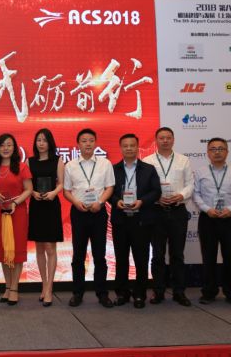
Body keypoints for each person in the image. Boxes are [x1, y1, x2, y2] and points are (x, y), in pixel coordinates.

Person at [193, 137, 231, 307]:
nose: (217, 152)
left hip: (230, 219)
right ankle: (209, 292)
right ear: (207, 152)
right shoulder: (200, 172)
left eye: (220, 149)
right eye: (213, 149)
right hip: (207, 218)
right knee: (208, 257)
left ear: (227, 152)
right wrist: (206, 209)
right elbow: (195, 194)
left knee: (230, 257)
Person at [63, 128, 114, 308]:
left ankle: (102, 293)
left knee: (100, 255)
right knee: (78, 255)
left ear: (95, 143)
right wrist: (76, 203)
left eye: (91, 140)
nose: (88, 144)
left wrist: (100, 202)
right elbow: (66, 191)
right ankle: (77, 293)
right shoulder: (70, 165)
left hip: (98, 212)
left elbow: (110, 187)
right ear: (78, 144)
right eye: (84, 141)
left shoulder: (105, 164)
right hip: (79, 212)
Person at [143, 127, 194, 306]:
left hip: (178, 210)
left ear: (173, 139)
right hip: (156, 211)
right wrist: (156, 198)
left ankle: (179, 292)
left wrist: (181, 195)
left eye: (168, 137)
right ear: (156, 140)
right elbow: (144, 187)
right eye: (161, 138)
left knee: (177, 254)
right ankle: (158, 291)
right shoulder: (148, 161)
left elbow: (190, 184)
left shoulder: (183, 160)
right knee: (157, 255)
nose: (165, 140)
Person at [109, 134, 161, 309]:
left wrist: (142, 201)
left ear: (138, 147)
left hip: (142, 220)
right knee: (121, 258)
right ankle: (122, 293)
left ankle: (140, 294)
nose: (129, 148)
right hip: (120, 219)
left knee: (141, 258)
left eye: (132, 145)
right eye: (125, 145)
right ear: (121, 148)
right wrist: (116, 201)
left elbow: (156, 191)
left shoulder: (149, 169)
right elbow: (107, 191)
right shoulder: (113, 169)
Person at [0, 133, 33, 306]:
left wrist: (15, 202)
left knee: (16, 249)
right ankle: (7, 287)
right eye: (2, 145)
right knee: (3, 249)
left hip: (18, 212)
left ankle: (15, 287)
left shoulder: (22, 167)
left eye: (9, 145)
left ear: (14, 148)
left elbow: (29, 189)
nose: (6, 148)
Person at [27, 128, 64, 307]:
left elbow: (61, 184)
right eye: (38, 140)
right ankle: (44, 285)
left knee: (50, 247)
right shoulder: (30, 161)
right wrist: (33, 193)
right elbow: (27, 186)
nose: (41, 143)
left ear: (50, 143)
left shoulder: (58, 160)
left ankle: (50, 288)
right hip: (36, 206)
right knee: (39, 247)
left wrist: (53, 193)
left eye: (44, 140)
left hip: (51, 205)